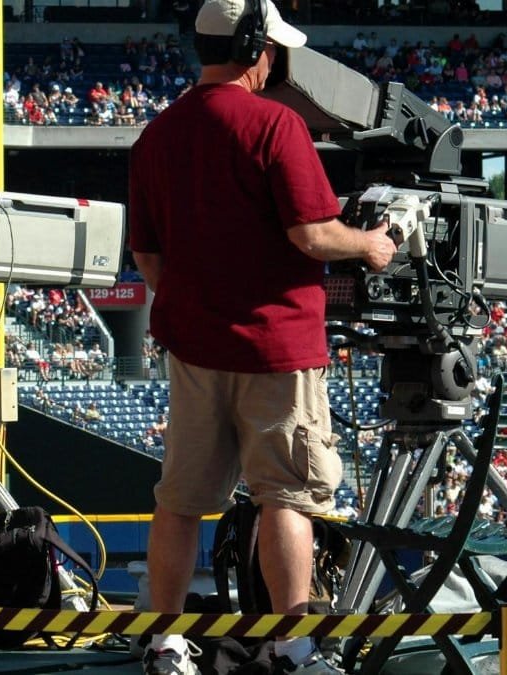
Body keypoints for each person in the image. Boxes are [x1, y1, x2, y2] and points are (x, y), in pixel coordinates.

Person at [127, 0, 397, 673]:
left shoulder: (157, 134)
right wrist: (370, 244)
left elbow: (149, 260)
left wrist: (200, 303)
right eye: (271, 48)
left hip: (192, 348)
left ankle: (163, 644)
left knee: (181, 500)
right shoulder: (276, 123)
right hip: (276, 348)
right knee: (286, 495)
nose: (275, 58)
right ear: (254, 48)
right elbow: (311, 233)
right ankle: (292, 646)